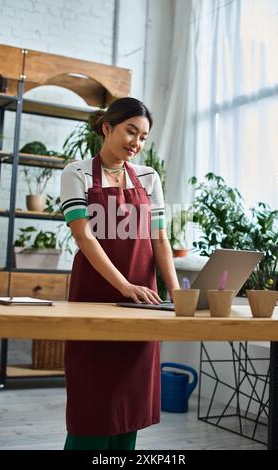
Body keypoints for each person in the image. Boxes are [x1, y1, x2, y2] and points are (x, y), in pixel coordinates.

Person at [60, 97, 180, 450]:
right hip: (94, 296)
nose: (137, 144)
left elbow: (159, 238)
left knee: (130, 401)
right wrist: (125, 286)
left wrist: (177, 294)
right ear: (107, 127)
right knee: (92, 400)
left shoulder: (148, 177)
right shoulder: (76, 172)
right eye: (131, 131)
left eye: (143, 138)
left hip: (145, 300)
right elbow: (84, 236)